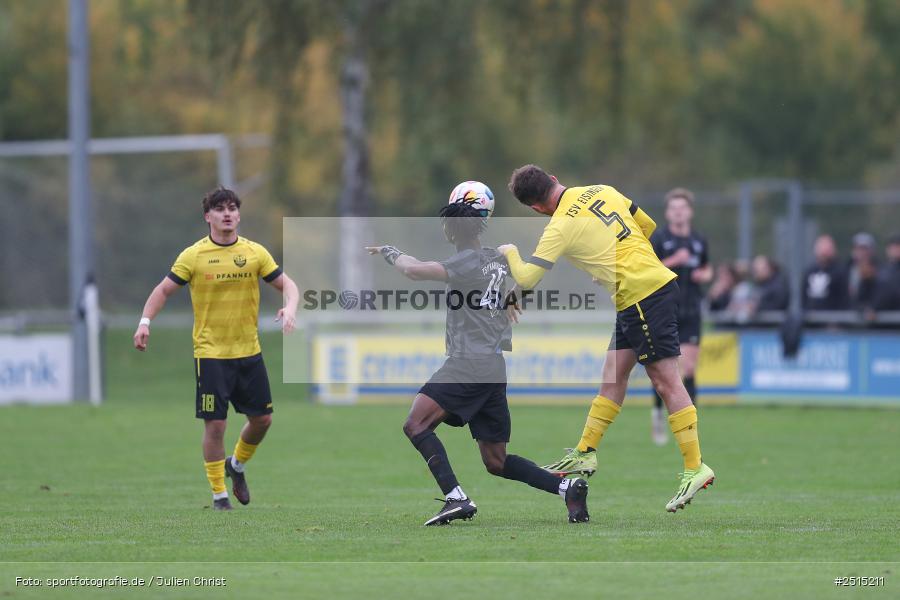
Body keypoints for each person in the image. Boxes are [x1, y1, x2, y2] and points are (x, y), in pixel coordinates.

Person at [498, 165, 714, 513]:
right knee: (613, 374)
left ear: (536, 208)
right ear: (553, 178)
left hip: (643, 293)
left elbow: (526, 277)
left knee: (666, 380)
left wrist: (509, 250)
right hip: (635, 294)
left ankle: (695, 467)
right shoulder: (602, 189)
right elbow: (647, 226)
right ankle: (585, 452)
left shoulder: (558, 227)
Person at [366, 197, 590, 526]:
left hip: (467, 363)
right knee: (496, 461)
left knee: (415, 424)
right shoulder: (496, 260)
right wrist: (515, 295)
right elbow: (531, 276)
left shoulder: (467, 261)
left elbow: (413, 270)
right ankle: (567, 487)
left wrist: (390, 252)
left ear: (449, 230)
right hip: (492, 367)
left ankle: (456, 498)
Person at [133, 187, 299, 511]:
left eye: (233, 208)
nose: (228, 214)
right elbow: (163, 290)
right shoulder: (193, 255)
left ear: (238, 214)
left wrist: (290, 308)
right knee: (216, 425)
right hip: (210, 354)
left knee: (262, 419)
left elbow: (287, 284)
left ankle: (235, 465)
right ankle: (219, 495)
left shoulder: (254, 253)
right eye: (220, 209)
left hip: (248, 351)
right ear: (208, 216)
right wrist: (144, 322)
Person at [648, 188, 712, 445]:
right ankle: (657, 414)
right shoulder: (660, 239)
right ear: (667, 212)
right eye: (674, 208)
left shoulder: (699, 240)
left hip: (691, 310)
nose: (678, 212)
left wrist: (705, 275)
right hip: (665, 310)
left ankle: (689, 427)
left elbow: (707, 267)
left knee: (689, 368)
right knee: (665, 372)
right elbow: (649, 270)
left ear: (690, 211)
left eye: (682, 207)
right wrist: (675, 260)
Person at [803, 234, 849, 311]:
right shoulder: (809, 271)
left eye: (827, 251)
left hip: (833, 318)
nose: (824, 254)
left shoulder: (840, 272)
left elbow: (844, 298)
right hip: (811, 319)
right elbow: (803, 296)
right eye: (822, 251)